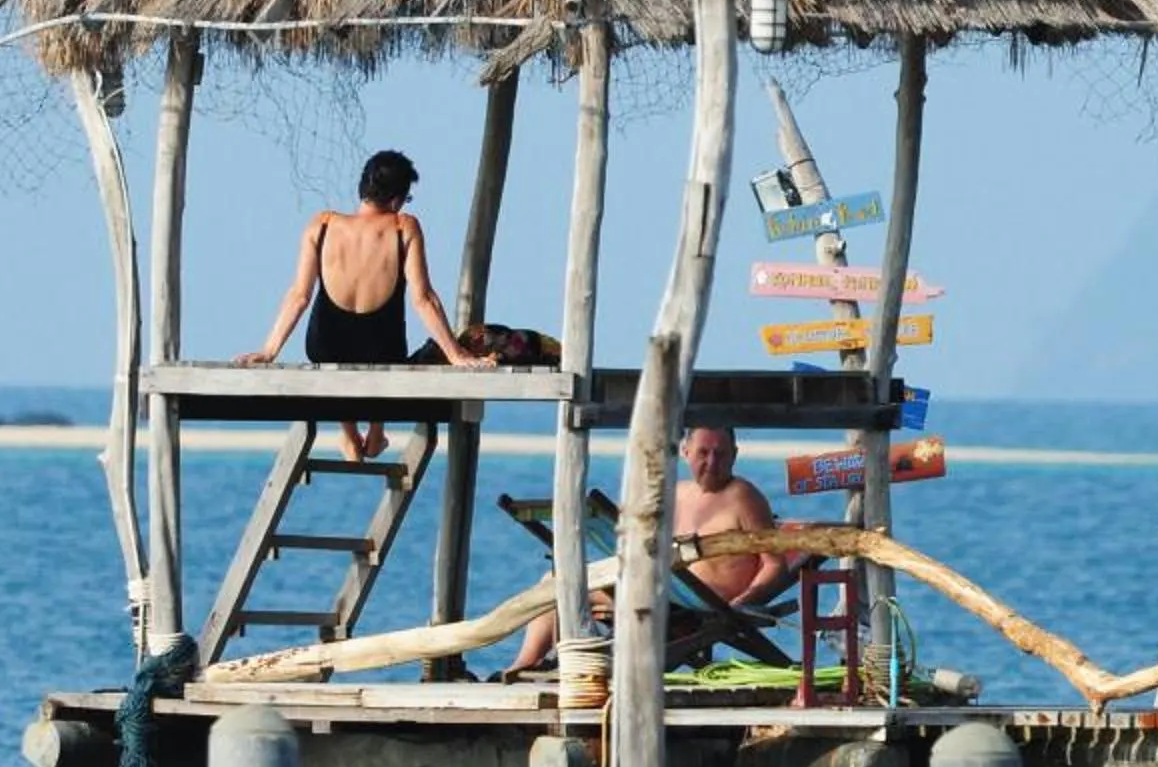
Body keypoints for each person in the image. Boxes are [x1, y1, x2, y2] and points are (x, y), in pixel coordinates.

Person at [236, 149, 491, 458]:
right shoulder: (403, 226)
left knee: (338, 353)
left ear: (363, 189)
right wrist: (456, 354)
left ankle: (349, 434)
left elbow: (299, 296)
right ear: (398, 199)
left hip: (325, 347)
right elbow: (423, 299)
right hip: (383, 352)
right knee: (380, 352)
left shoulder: (323, 224)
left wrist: (269, 351)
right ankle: (376, 430)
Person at [503, 425, 800, 675]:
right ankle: (528, 664)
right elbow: (631, 520)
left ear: (735, 455)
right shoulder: (679, 493)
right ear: (685, 453)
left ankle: (541, 664)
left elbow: (775, 565)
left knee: (564, 585)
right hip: (666, 590)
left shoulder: (744, 497)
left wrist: (743, 602)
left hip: (706, 602)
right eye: (703, 453)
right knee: (555, 581)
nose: (712, 461)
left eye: (721, 454)